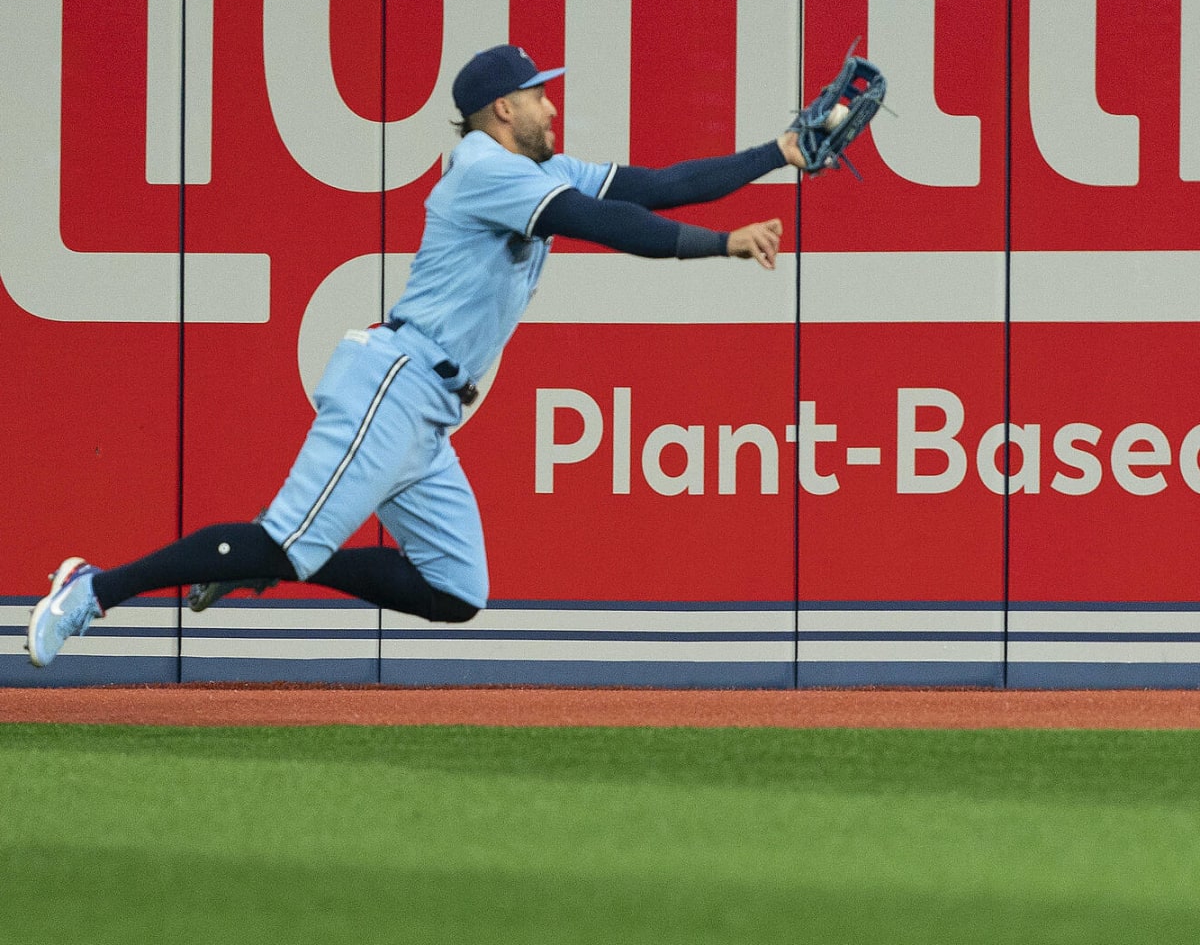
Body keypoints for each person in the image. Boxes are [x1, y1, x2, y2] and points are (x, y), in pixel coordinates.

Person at [26, 43, 811, 667]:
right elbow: (602, 225)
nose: (551, 103)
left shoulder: (537, 166)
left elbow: (660, 185)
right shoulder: (484, 170)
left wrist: (779, 150)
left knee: (454, 588)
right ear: (503, 108)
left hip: (430, 410)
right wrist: (723, 245)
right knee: (280, 535)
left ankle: (279, 561)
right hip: (394, 384)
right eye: (539, 93)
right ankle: (92, 589)